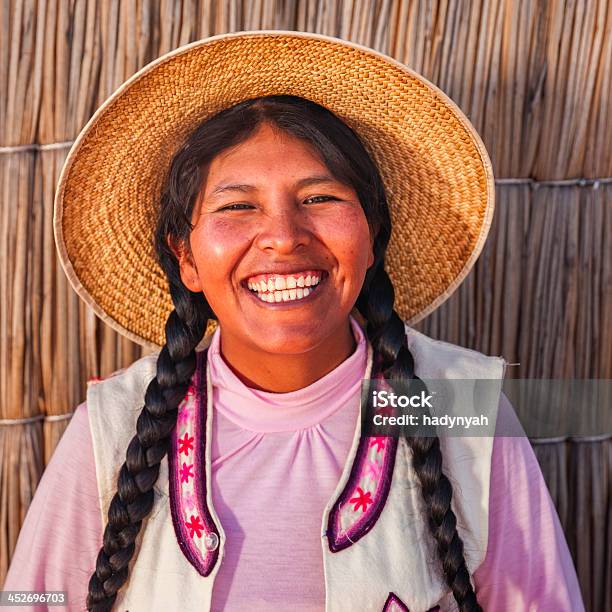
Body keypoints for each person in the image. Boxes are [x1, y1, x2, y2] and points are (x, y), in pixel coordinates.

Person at [3, 32, 583, 612]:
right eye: (237, 206)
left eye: (320, 198)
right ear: (187, 258)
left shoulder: (458, 402)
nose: (283, 236)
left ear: (373, 234)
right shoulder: (111, 428)